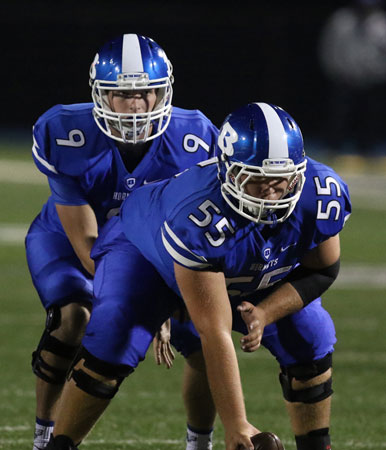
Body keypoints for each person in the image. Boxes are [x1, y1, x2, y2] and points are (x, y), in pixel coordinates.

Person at [45, 102, 351, 450]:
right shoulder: (198, 217)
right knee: (116, 333)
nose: (271, 191)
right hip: (144, 251)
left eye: (281, 179)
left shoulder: (321, 193)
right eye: (257, 179)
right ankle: (59, 445)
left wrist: (266, 312)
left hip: (235, 264)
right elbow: (213, 330)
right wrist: (237, 426)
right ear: (229, 172)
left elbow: (322, 269)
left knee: (311, 331)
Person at [25, 33, 219, 450]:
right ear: (100, 95)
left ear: (163, 92)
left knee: (203, 336)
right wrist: (143, 302)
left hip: (159, 255)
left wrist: (162, 299)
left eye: (146, 94)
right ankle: (44, 435)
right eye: (123, 94)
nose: (135, 105)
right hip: (69, 242)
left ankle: (199, 442)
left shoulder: (196, 137)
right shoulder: (64, 131)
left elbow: (191, 229)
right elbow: (86, 242)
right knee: (71, 319)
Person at [318, 0, 386, 163]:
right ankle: (332, 151)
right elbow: (328, 48)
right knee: (339, 116)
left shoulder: (381, 23)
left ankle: (368, 152)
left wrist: (380, 74)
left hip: (372, 81)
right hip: (344, 79)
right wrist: (336, 72)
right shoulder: (341, 20)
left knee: (371, 117)